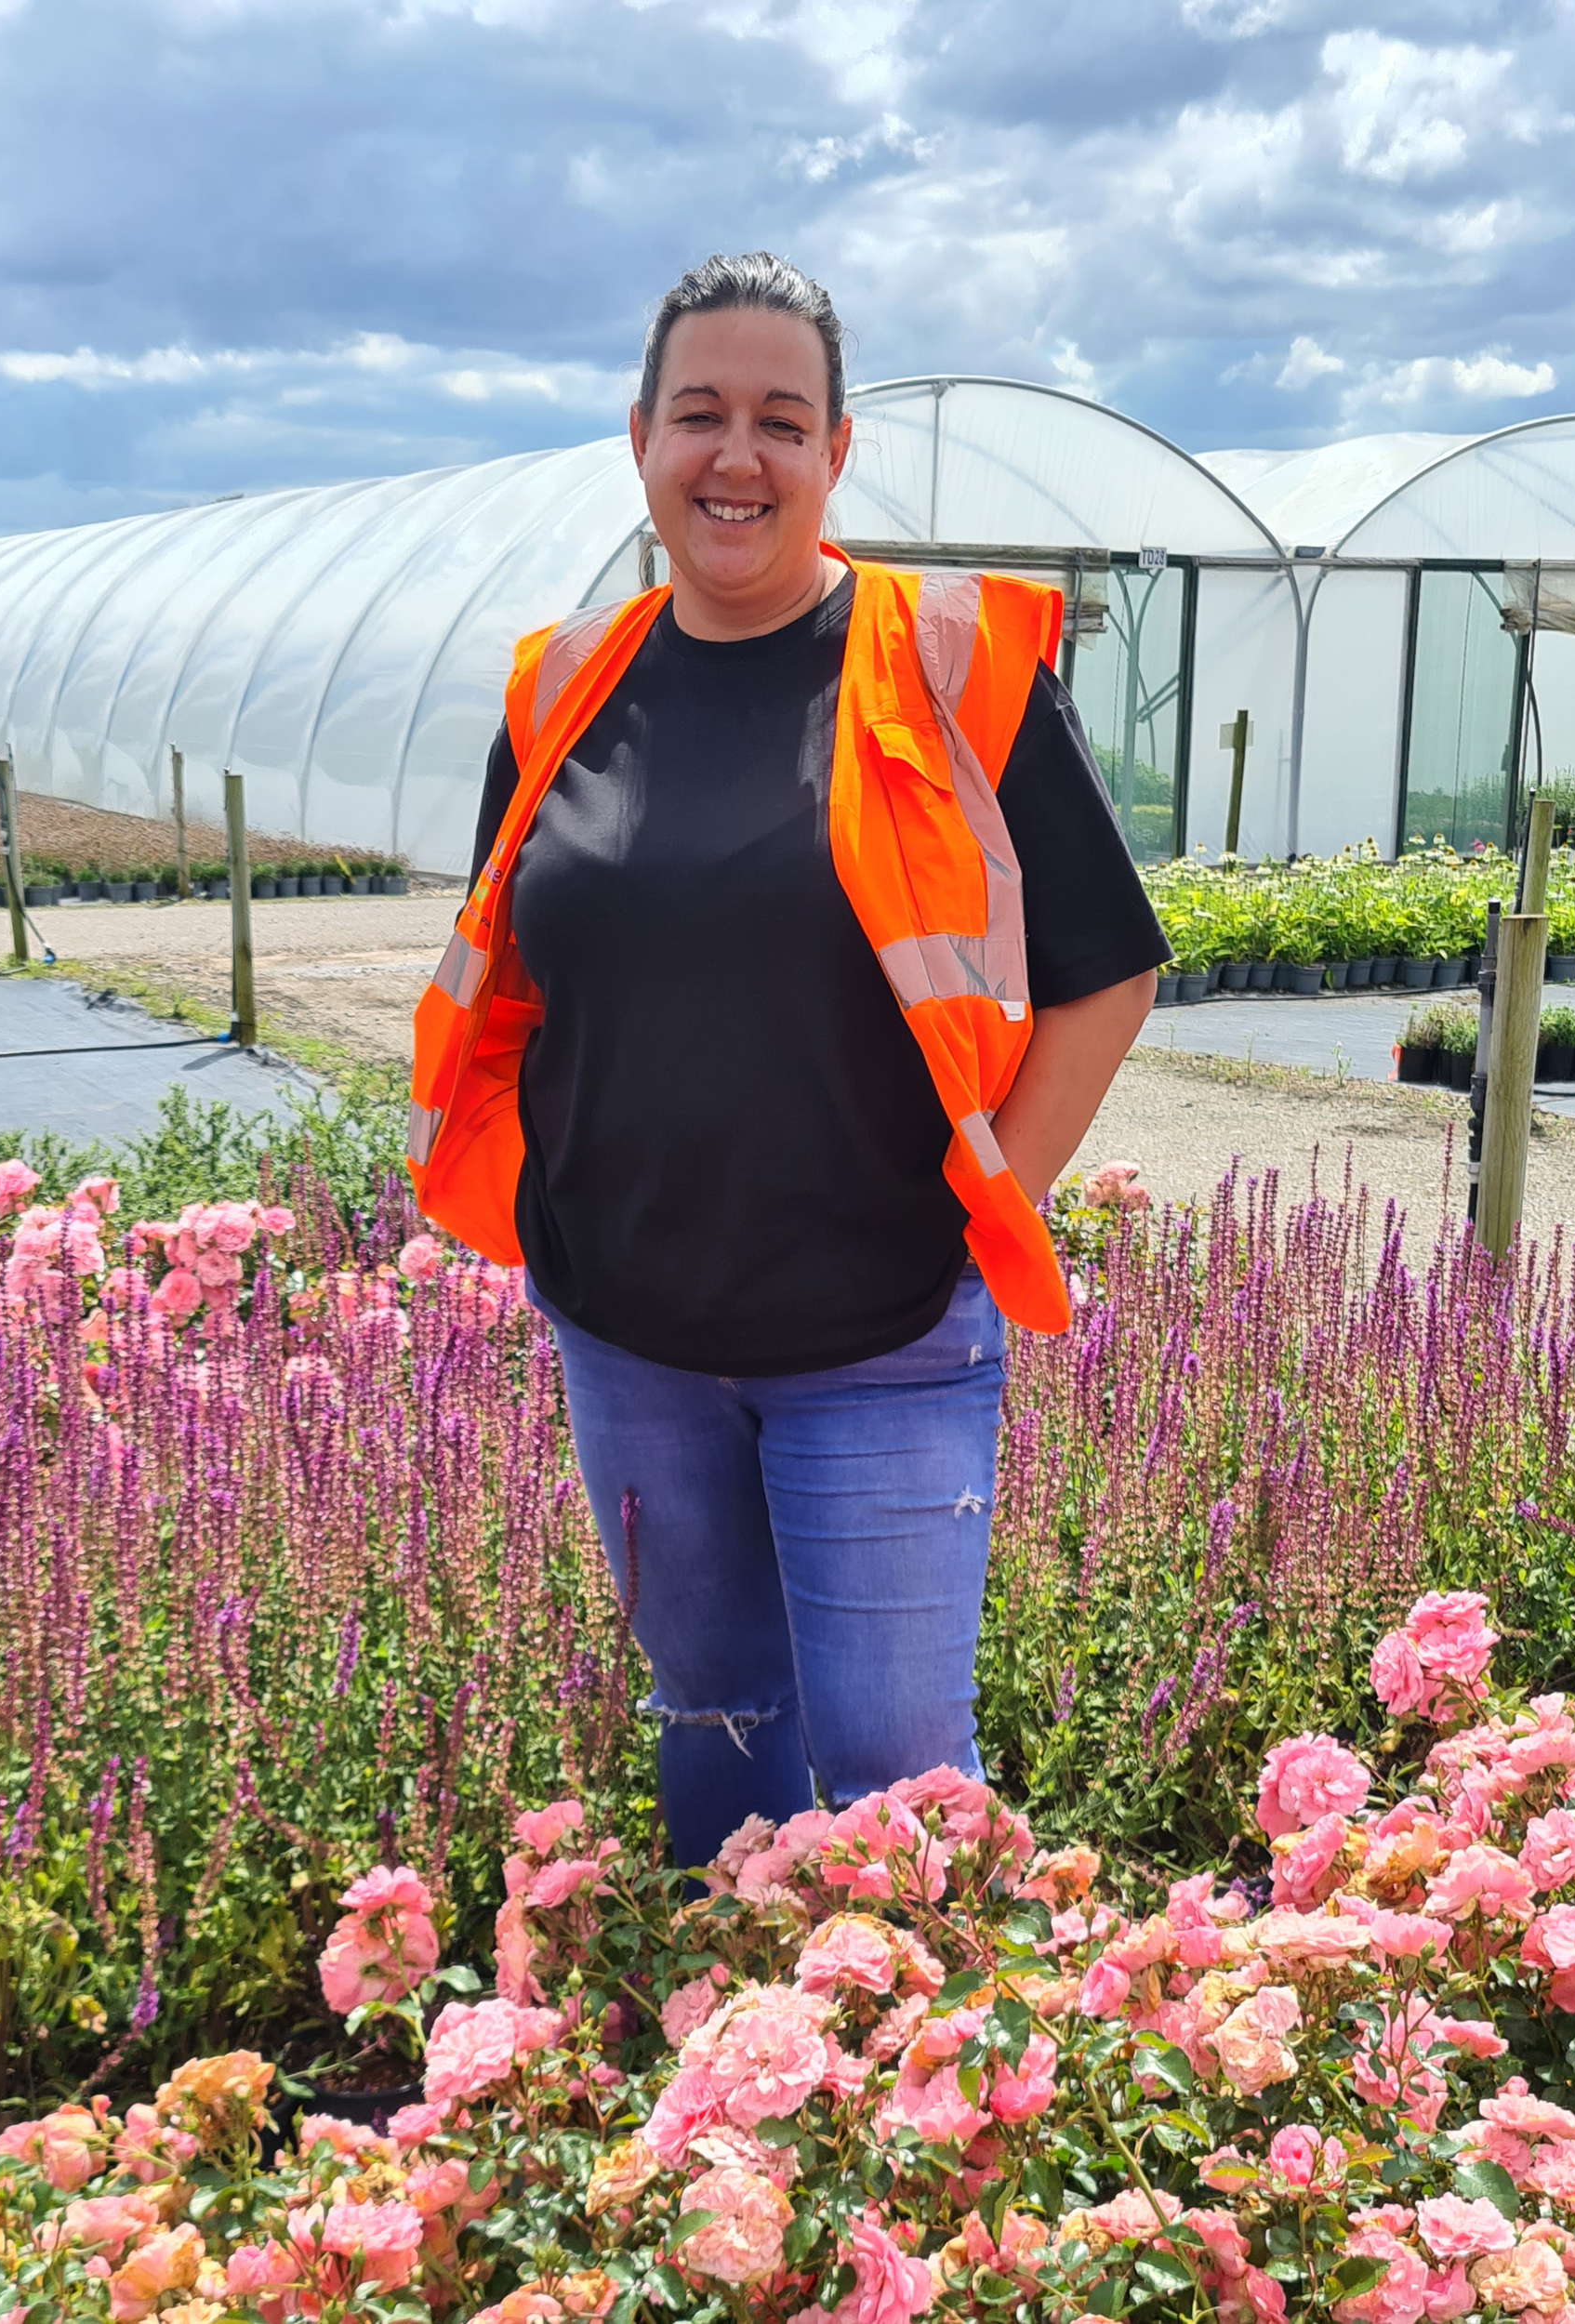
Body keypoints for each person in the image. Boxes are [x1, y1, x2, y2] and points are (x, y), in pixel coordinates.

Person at [410, 252, 1169, 1868]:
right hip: (630, 1343)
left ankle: (936, 2096)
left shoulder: (949, 661)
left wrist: (986, 1212)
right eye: (700, 414)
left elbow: (1108, 975)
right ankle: (732, 2085)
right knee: (715, 1723)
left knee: (900, 1784)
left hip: (879, 1342)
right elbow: (526, 976)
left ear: (835, 453)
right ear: (639, 439)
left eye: (779, 419)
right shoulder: (562, 685)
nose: (735, 458)